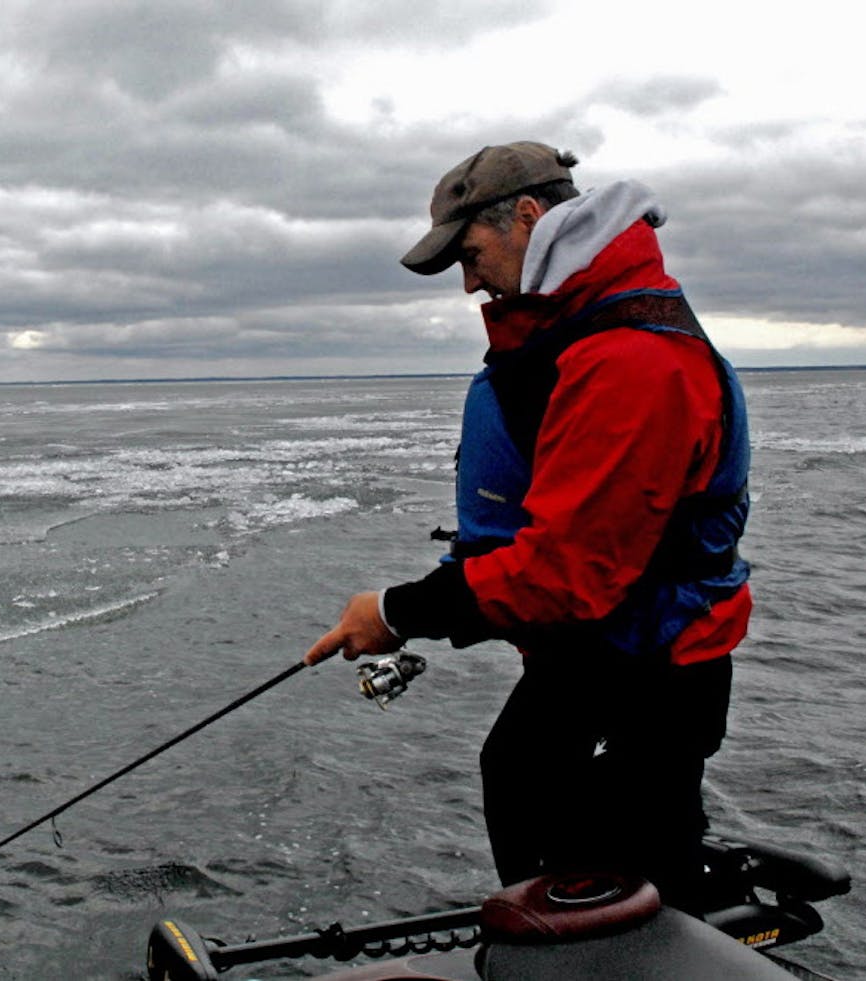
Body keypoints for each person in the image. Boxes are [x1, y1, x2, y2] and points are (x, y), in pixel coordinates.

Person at [304, 141, 752, 913]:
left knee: (616, 880)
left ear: (529, 218)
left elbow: (567, 571)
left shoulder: (633, 365)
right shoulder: (579, 338)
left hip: (656, 664)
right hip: (593, 651)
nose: (470, 282)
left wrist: (396, 612)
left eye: (472, 255)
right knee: (518, 775)